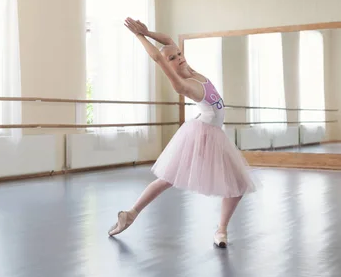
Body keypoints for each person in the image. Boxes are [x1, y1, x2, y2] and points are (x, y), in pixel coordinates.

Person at [108, 18, 258, 248]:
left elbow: (167, 42)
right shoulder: (184, 84)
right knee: (170, 178)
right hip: (203, 135)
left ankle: (221, 230)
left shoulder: (192, 70)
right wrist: (139, 37)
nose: (179, 58)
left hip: (210, 132)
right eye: (173, 59)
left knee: (236, 185)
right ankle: (131, 214)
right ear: (167, 65)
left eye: (178, 54)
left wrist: (148, 32)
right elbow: (158, 56)